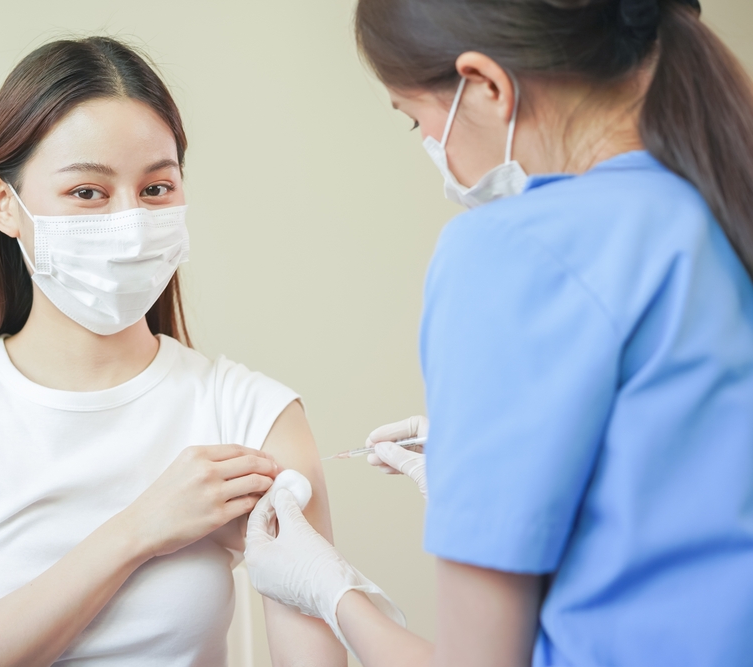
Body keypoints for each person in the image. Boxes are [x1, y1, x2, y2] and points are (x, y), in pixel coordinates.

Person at [244, 0, 753, 665]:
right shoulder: (714, 208)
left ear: (485, 85)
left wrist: (331, 590)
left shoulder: (512, 251)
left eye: (413, 117)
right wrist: (502, 463)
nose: (429, 143)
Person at [0, 37, 346, 667]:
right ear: (4, 203)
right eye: (88, 192)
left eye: (157, 188)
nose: (131, 221)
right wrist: (137, 532)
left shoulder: (254, 415)